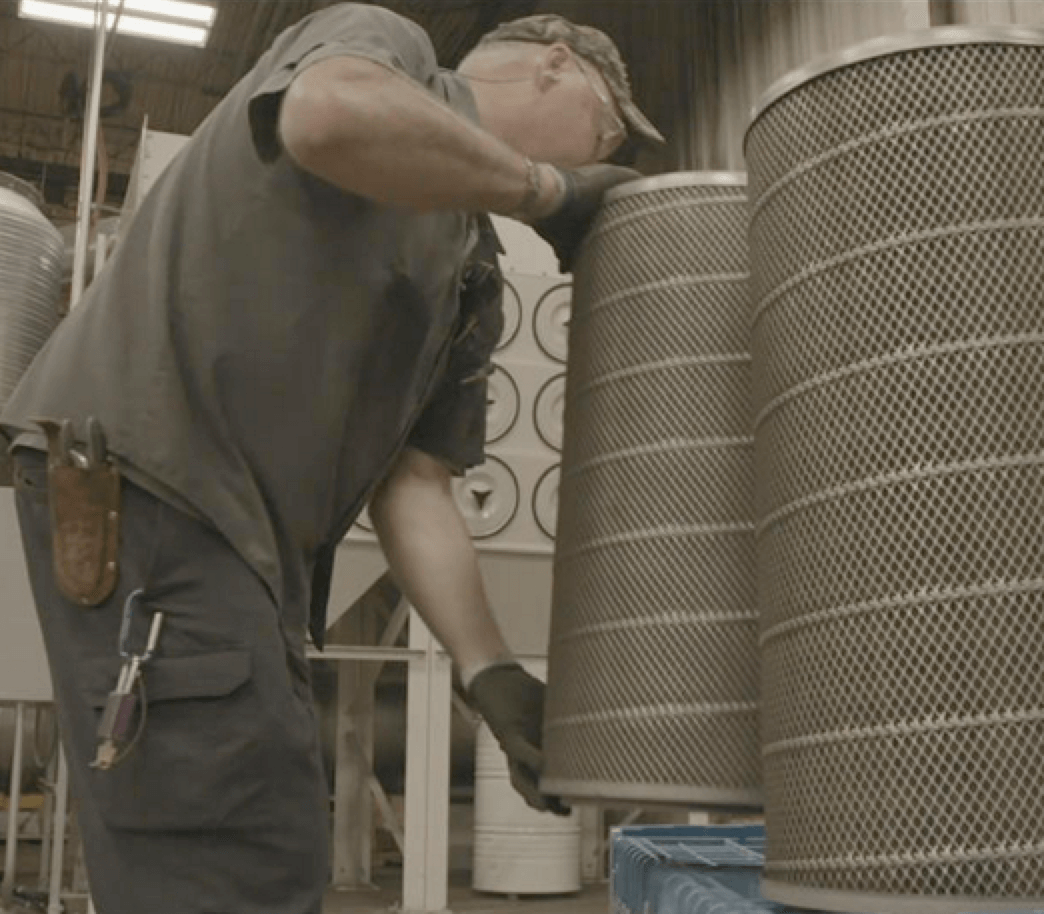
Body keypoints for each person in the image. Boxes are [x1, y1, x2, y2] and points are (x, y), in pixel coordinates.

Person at [0, 3, 662, 912]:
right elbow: (325, 116)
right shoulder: (387, 47)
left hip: (251, 547)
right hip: (158, 484)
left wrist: (489, 669)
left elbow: (415, 482)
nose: (602, 158)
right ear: (553, 65)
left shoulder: (470, 268)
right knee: (229, 853)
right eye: (608, 129)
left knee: (268, 835)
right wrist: (546, 189)